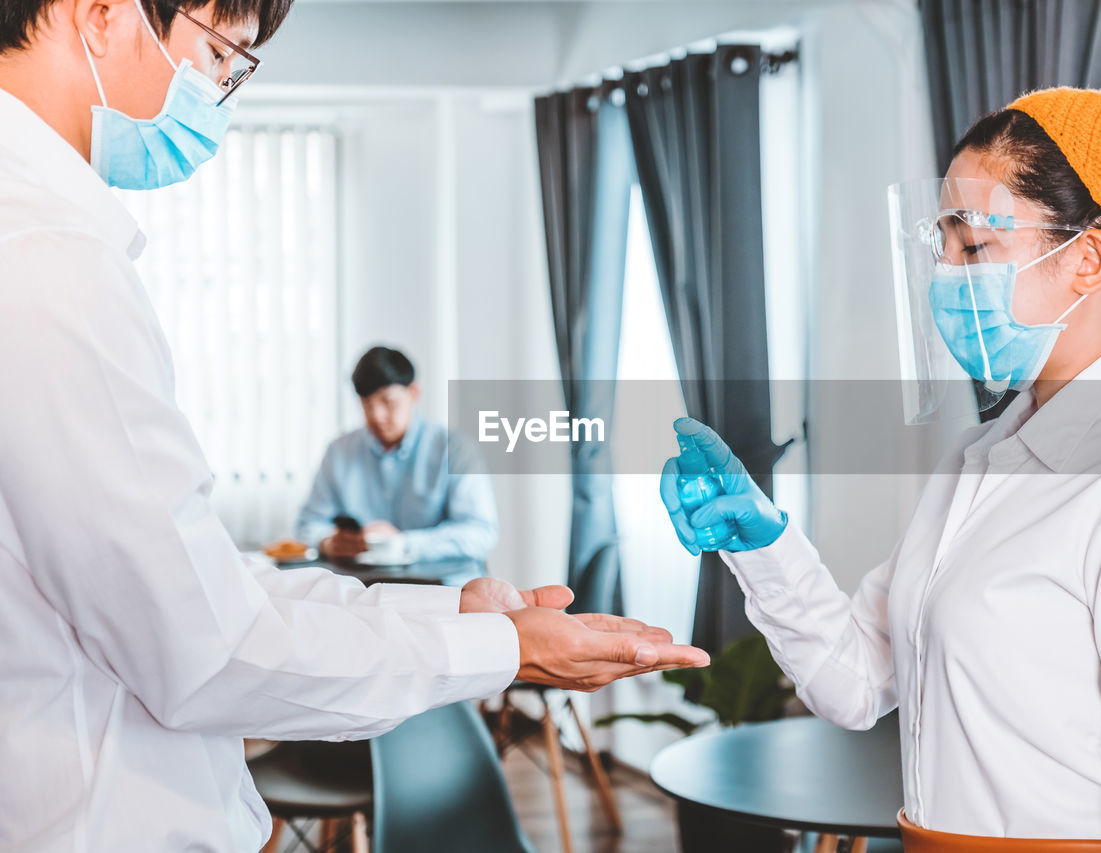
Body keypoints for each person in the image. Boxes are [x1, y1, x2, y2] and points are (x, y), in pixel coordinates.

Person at [0, 1, 706, 850]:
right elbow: (210, 650)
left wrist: (462, 616)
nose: (220, 93)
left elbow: (199, 590)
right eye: (221, 54)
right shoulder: (51, 265)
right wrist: (499, 648)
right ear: (103, 15)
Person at [662, 88, 1101, 849]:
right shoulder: (978, 461)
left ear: (1087, 258)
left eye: (974, 247)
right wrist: (759, 540)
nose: (945, 276)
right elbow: (853, 682)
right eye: (940, 245)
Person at [296, 346, 499, 564]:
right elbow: (307, 525)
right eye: (367, 404)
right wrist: (329, 542)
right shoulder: (339, 452)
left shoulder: (455, 450)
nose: (377, 416)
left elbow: (480, 532)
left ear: (413, 393)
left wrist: (402, 544)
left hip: (439, 589)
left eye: (388, 402)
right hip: (364, 587)